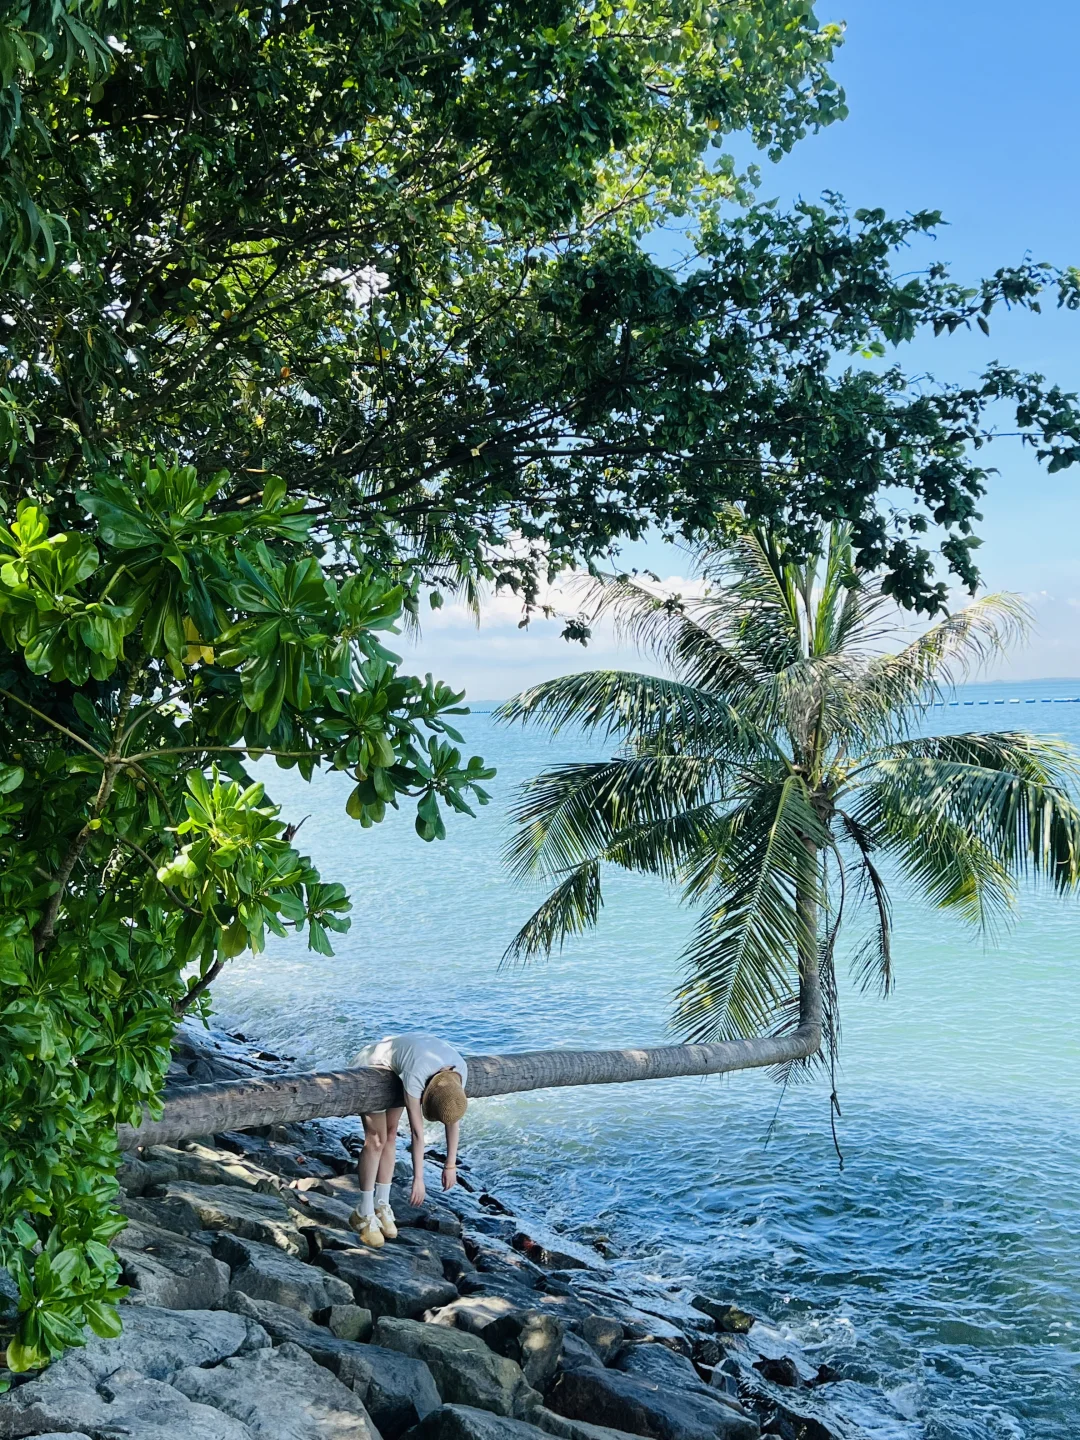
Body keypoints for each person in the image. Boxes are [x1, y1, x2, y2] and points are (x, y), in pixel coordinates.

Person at [348, 1032, 468, 1248]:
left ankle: (381, 1203)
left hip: (396, 1072)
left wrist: (450, 1165)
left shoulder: (459, 1072)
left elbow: (453, 1118)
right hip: (370, 1067)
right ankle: (363, 1212)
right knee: (376, 1139)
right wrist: (418, 1179)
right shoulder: (417, 1075)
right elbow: (416, 1133)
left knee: (391, 1134)